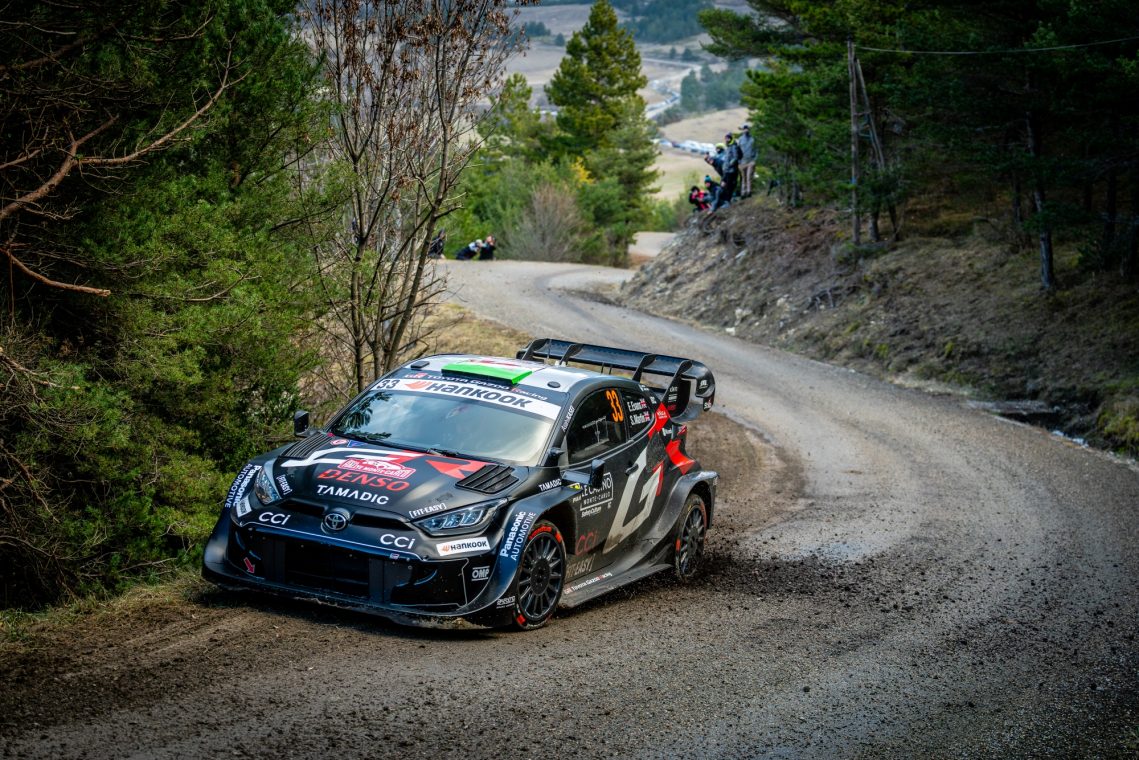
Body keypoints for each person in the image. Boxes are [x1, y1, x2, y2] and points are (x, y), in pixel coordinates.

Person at [713, 132, 742, 211]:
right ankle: (727, 201)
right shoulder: (728, 147)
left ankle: (728, 202)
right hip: (727, 170)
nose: (726, 140)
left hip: (731, 171)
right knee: (725, 186)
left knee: (728, 186)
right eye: (726, 138)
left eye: (728, 138)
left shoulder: (733, 146)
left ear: (731, 139)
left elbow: (735, 157)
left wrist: (729, 165)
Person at [737, 124, 757, 198]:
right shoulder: (740, 139)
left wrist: (755, 159)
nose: (746, 130)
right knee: (743, 178)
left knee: (749, 177)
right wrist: (738, 161)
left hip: (751, 161)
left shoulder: (753, 139)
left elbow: (756, 149)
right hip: (742, 162)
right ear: (742, 130)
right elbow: (738, 150)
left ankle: (749, 191)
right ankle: (743, 193)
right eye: (744, 129)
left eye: (747, 129)